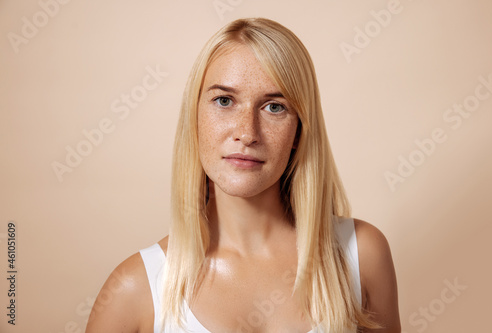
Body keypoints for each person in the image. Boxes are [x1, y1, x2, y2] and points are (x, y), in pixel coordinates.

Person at [85, 18, 401, 333]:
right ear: (194, 119)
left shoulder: (362, 255)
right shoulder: (134, 290)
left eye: (274, 107)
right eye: (224, 101)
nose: (247, 133)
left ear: (299, 132)